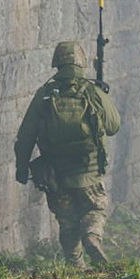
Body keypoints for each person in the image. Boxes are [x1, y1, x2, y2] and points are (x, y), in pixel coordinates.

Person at [14, 42, 122, 266]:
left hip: (57, 175)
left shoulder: (45, 95)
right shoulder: (92, 91)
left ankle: (76, 266)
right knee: (96, 208)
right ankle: (92, 236)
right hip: (89, 173)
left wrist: (22, 168)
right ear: (81, 63)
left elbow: (25, 136)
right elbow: (113, 126)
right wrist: (103, 95)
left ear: (57, 63)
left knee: (67, 221)